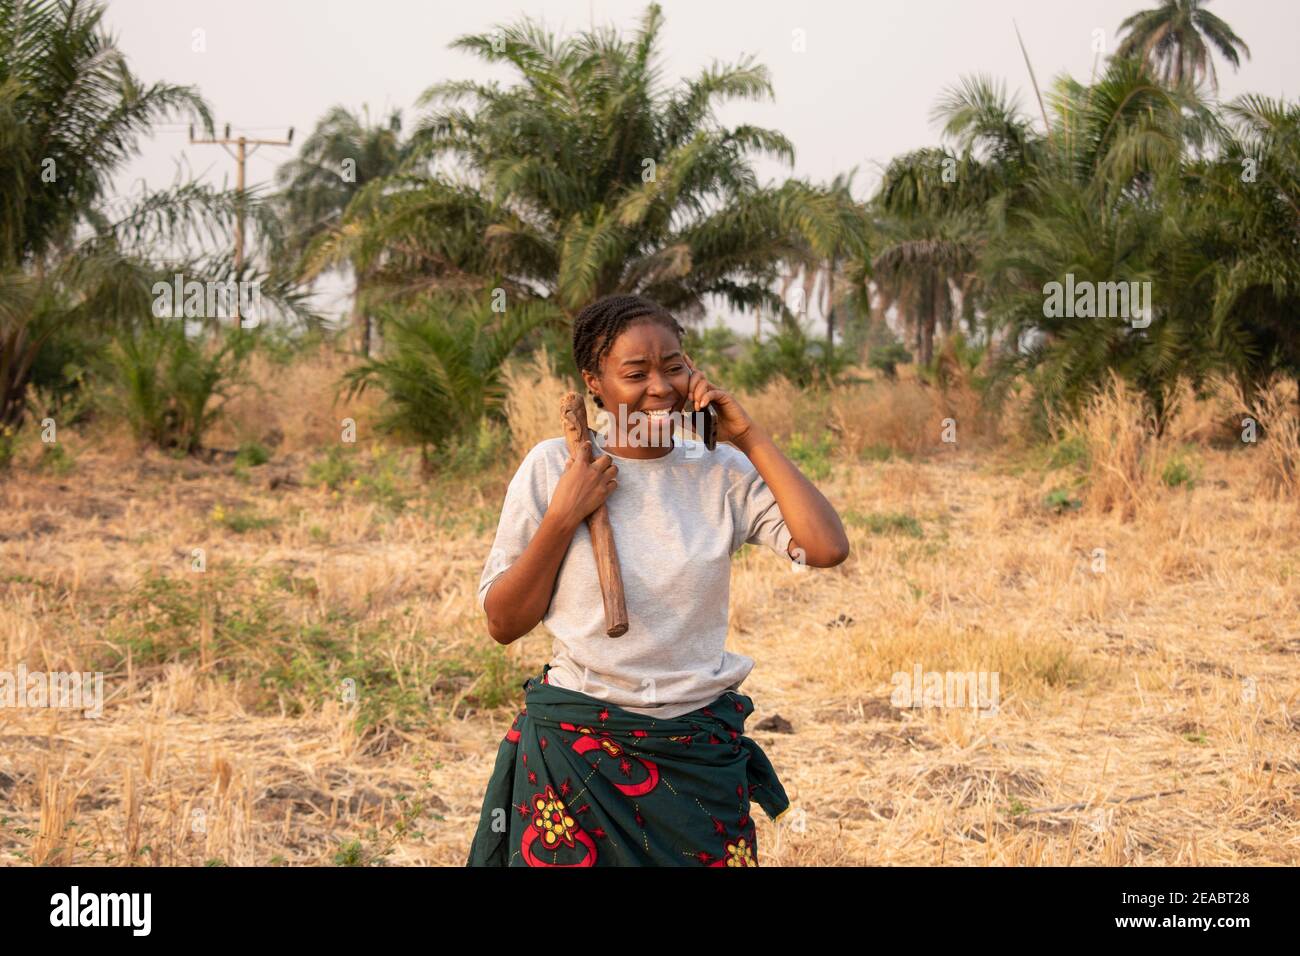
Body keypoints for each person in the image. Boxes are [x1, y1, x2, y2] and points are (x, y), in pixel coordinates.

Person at [466, 294, 849, 866]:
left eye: (673, 366)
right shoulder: (555, 468)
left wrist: (749, 437)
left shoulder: (720, 472)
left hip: (693, 750)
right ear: (594, 382)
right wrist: (564, 514)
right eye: (635, 373)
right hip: (576, 750)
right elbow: (504, 622)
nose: (660, 387)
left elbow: (826, 547)